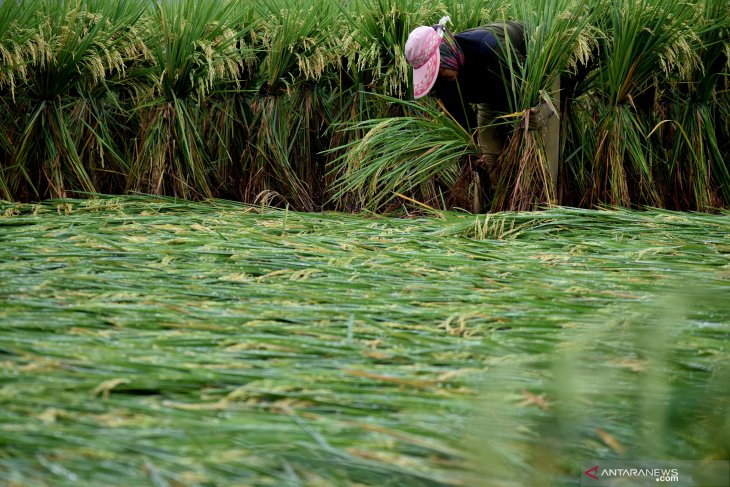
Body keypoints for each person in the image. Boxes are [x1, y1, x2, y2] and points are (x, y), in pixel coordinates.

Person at [404, 17, 560, 201]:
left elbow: (538, 86)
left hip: (533, 70)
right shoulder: (441, 83)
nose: (437, 76)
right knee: (488, 162)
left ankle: (547, 208)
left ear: (447, 52)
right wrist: (474, 151)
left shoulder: (488, 47)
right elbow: (465, 122)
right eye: (432, 74)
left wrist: (543, 110)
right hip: (490, 92)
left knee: (542, 147)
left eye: (438, 69)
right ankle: (494, 215)